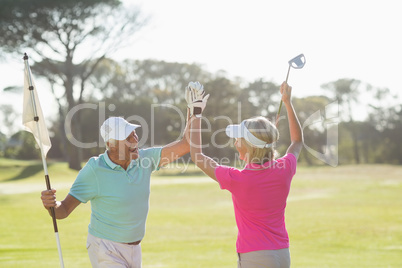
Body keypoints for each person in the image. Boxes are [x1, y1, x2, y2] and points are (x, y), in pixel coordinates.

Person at [40, 82, 205, 268]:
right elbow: (63, 211)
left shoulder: (145, 160)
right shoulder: (94, 170)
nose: (135, 139)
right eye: (128, 137)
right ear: (110, 145)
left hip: (135, 249)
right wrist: (52, 205)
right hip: (105, 248)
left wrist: (195, 112)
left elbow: (185, 145)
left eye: (134, 134)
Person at [189, 81, 303, 268]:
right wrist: (288, 102)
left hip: (255, 256)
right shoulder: (285, 168)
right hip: (283, 254)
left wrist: (196, 113)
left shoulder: (238, 179)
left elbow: (197, 155)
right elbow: (297, 141)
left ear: (248, 146)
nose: (235, 143)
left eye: (238, 139)